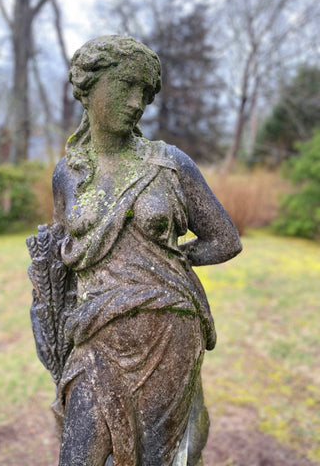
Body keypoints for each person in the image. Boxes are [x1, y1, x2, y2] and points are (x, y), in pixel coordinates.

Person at [51, 35, 242, 466]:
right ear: (88, 86)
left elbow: (225, 239)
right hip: (95, 337)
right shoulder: (67, 173)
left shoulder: (169, 163)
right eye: (126, 86)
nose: (137, 102)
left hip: (168, 333)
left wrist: (172, 261)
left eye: (146, 93)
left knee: (157, 461)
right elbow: (62, 255)